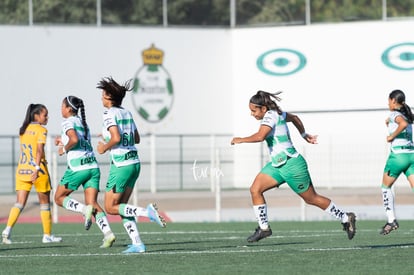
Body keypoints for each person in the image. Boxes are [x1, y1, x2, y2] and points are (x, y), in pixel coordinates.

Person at [231, 90, 356, 242]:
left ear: (263, 109)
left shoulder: (270, 116)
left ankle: (345, 217)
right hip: (278, 165)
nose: (252, 114)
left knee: (312, 199)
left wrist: (241, 139)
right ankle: (264, 229)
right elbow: (295, 118)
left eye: (253, 111)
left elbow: (260, 136)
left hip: (292, 165)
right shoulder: (278, 113)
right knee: (255, 189)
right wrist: (304, 135)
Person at [96, 76, 166, 254]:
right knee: (123, 207)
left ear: (110, 97)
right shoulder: (126, 113)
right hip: (134, 162)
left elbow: (117, 138)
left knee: (111, 207)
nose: (101, 97)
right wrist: (108, 138)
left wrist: (104, 146)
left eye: (103, 94)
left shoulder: (109, 114)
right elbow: (136, 138)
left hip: (121, 165)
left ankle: (147, 212)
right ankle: (137, 243)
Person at [54, 95, 116, 248]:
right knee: (93, 203)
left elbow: (74, 140)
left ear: (69, 109)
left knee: (58, 198)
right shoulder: (83, 123)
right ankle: (108, 234)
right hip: (92, 167)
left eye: (62, 106)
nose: (60, 109)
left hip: (78, 168)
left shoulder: (67, 122)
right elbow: (79, 141)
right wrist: (63, 140)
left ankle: (83, 209)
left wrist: (63, 148)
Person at [2, 104, 62, 244]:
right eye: (45, 115)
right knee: (45, 203)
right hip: (38, 170)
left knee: (19, 203)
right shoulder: (41, 130)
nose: (47, 117)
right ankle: (47, 235)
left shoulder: (23, 130)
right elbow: (39, 151)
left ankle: (7, 230)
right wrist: (36, 169)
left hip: (22, 170)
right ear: (36, 116)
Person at [379, 89, 414, 235]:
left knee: (385, 187)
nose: (388, 103)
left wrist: (391, 136)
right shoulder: (407, 114)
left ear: (394, 100)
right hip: (411, 155)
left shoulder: (395, 115)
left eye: (388, 100)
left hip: (398, 157)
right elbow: (405, 123)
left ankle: (391, 220)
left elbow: (403, 124)